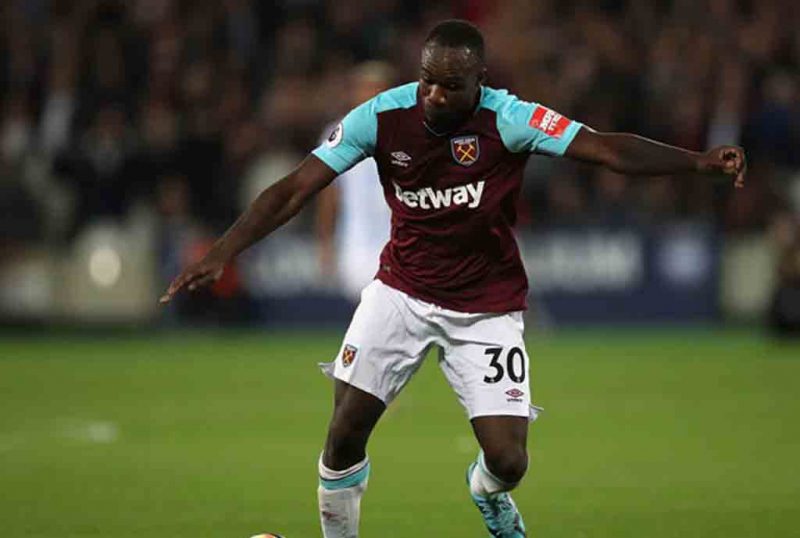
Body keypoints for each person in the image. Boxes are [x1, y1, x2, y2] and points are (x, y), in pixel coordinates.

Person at [160, 20, 746, 538]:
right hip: (400, 293)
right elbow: (295, 188)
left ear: (479, 83)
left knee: (509, 461)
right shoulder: (380, 117)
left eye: (451, 86)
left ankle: (486, 491)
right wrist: (224, 250)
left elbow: (604, 149)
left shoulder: (510, 118)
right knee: (343, 434)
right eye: (427, 81)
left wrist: (696, 162)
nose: (435, 96)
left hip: (486, 307)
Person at [316, 62, 393, 301]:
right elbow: (329, 195)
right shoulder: (337, 133)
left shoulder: (405, 132)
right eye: (365, 89)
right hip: (356, 244)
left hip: (397, 243)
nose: (371, 96)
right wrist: (326, 242)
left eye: (378, 90)